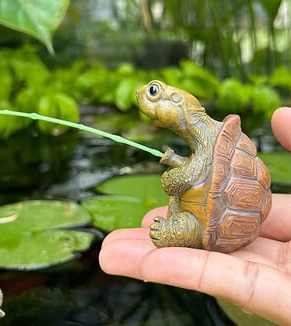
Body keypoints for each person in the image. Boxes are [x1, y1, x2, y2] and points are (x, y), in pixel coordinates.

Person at [99, 107, 291, 325]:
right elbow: (188, 175)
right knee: (192, 176)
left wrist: (176, 178)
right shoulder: (206, 148)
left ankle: (175, 231)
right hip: (209, 194)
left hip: (209, 221)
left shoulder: (207, 149)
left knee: (171, 232)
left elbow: (176, 181)